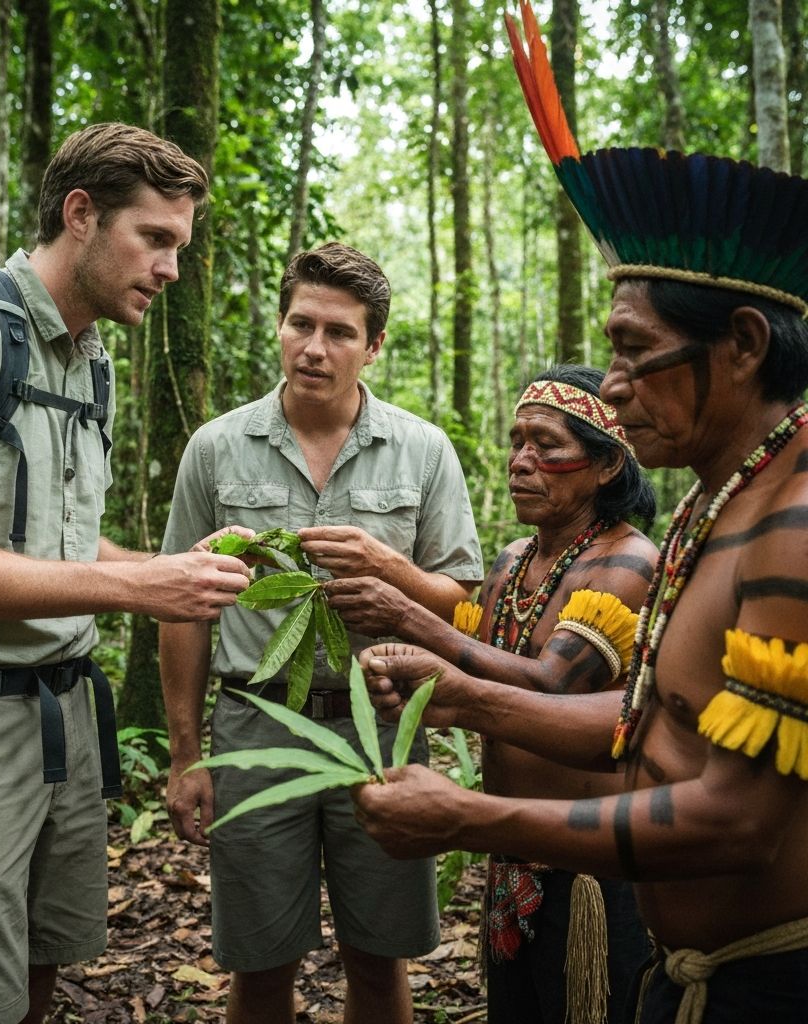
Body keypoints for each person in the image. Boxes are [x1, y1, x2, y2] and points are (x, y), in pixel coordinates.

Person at [352, 10, 808, 1021]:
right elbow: (649, 723)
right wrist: (459, 695)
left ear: (740, 344)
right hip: (686, 977)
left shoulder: (794, 526)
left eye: (632, 349)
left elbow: (738, 821)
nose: (616, 383)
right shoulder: (713, 510)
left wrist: (469, 816)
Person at [0, 123, 252, 1024]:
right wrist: (137, 591)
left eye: (180, 246)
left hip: (59, 713)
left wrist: (173, 568)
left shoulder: (88, 355)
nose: (171, 269)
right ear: (80, 214)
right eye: (155, 238)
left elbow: (56, 543)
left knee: (39, 967)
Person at [159, 242, 484, 1024]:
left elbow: (458, 600)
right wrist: (186, 754)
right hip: (253, 725)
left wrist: (388, 568)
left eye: (340, 332)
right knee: (260, 961)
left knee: (378, 957)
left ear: (374, 346)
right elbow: (180, 604)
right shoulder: (216, 447)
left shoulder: (422, 449)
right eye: (301, 324)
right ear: (279, 327)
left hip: (380, 729)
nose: (315, 347)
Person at [327, 363, 658, 1024]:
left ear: (606, 465)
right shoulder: (510, 561)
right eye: (516, 442)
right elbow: (485, 677)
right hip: (511, 863)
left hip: (589, 868)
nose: (520, 462)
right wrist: (416, 685)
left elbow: (550, 685)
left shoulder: (627, 562)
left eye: (547, 446)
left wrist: (406, 616)